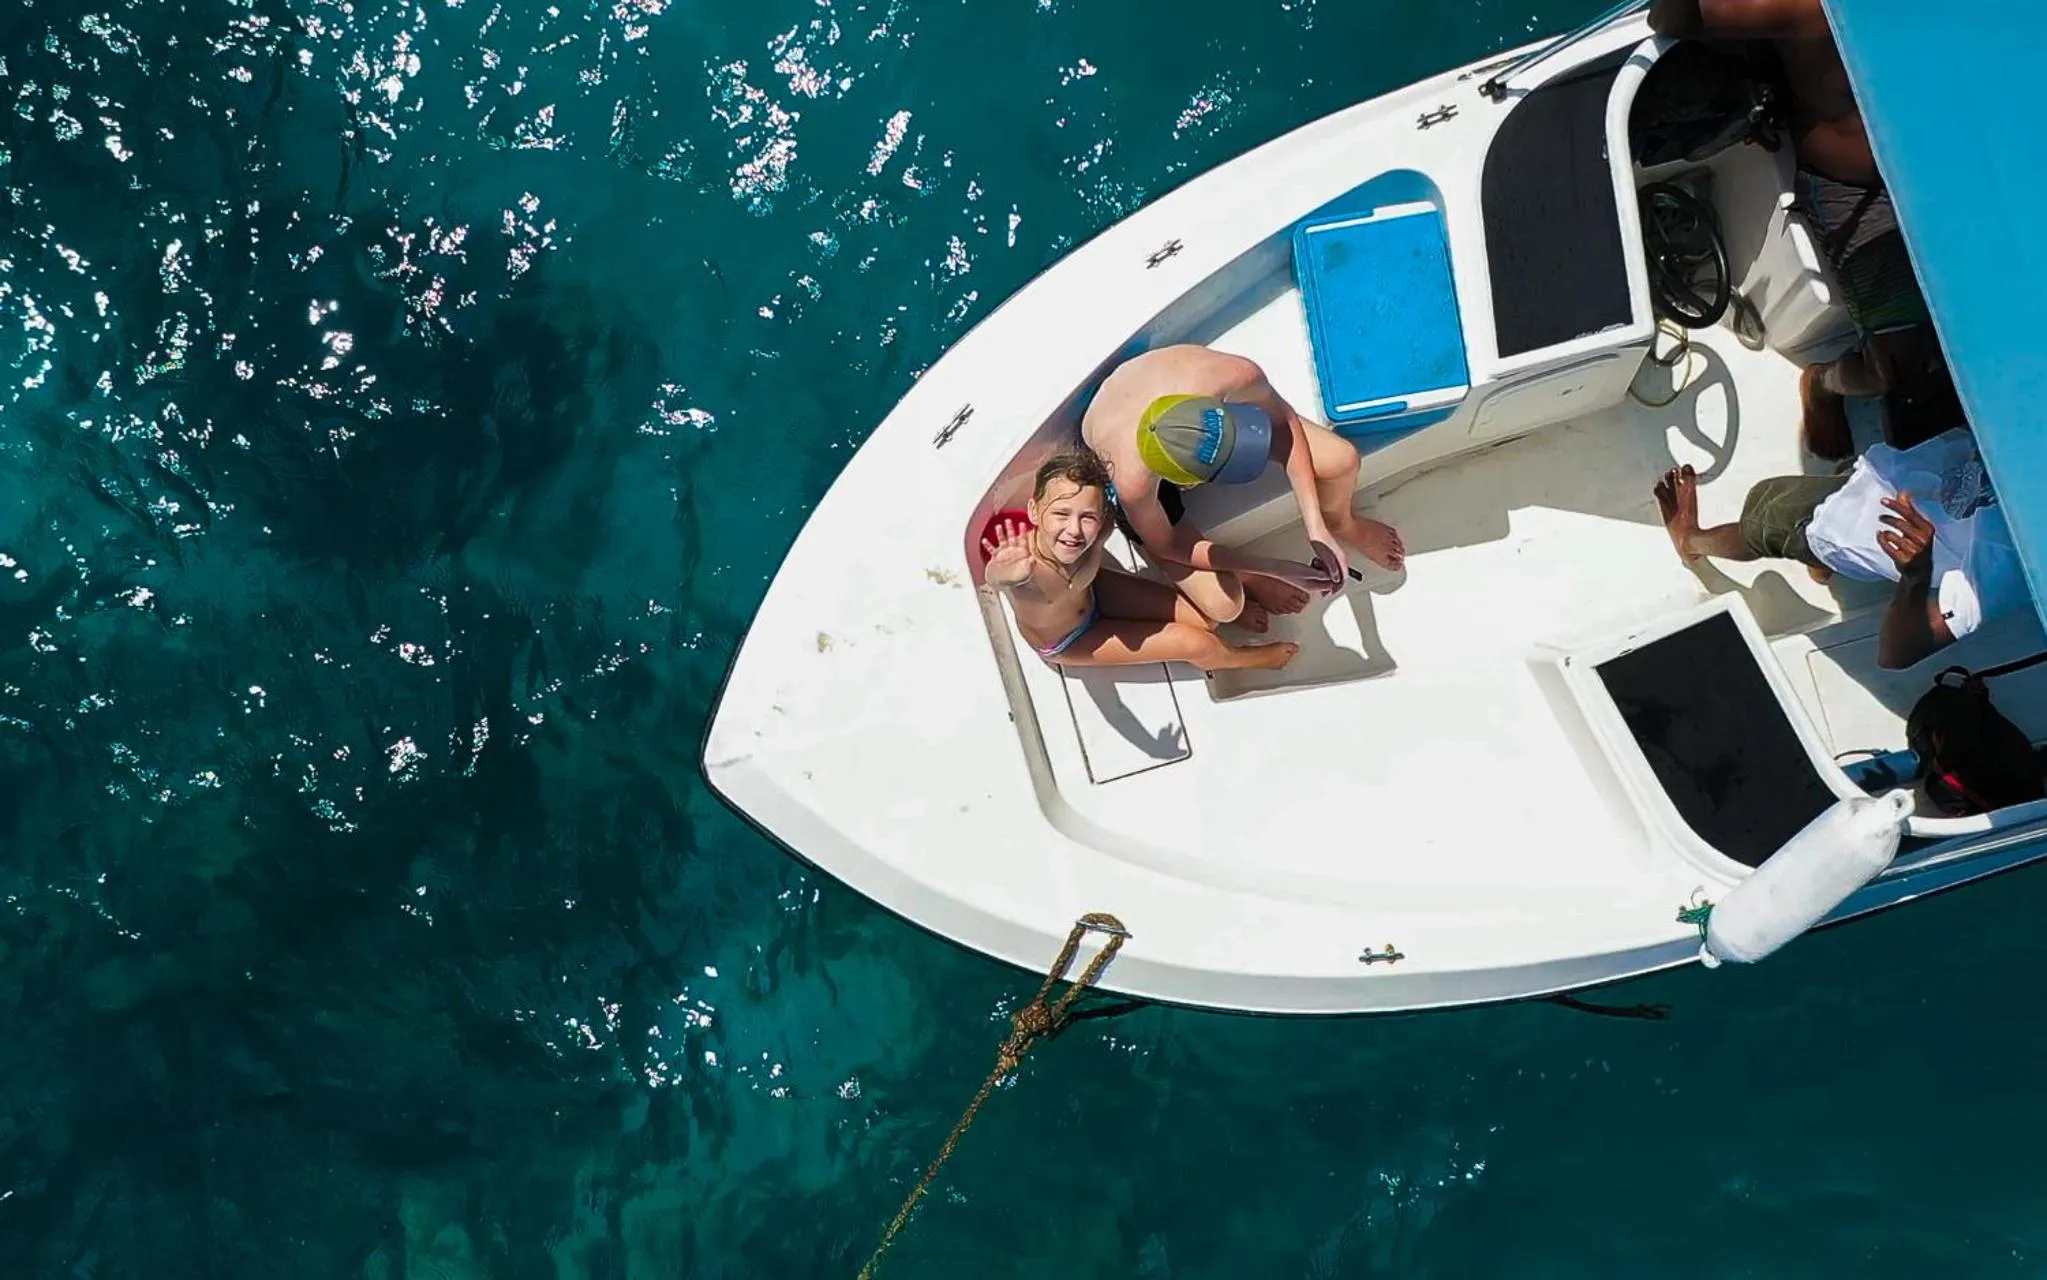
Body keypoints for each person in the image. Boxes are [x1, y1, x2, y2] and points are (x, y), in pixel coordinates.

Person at [1648, 0, 1933, 460]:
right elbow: (1673, 16)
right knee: (1894, 372)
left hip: (1958, 189)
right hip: (1858, 190)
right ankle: (1822, 383)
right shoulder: (1813, 8)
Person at [1080, 345, 1405, 627]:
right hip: (1130, 463)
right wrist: (1271, 567)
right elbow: (1169, 545)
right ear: (1187, 483)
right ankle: (1250, 579)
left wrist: (1316, 526)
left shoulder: (1230, 375)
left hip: (1159, 399)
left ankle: (1342, 522)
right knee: (1224, 606)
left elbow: (1283, 423)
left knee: (1342, 460)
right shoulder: (1133, 484)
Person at [1654, 428, 2028, 669]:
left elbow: (1897, 654)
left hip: (1848, 522)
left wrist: (1916, 573)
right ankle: (1818, 559)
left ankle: (1691, 541)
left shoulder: (2012, 568)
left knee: (1765, 514)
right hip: (1908, 466)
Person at [983, 447, 1299, 672]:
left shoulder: (1097, 530)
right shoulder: (1024, 570)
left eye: (1087, 516)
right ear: (1034, 511)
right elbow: (997, 577)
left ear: (1102, 516)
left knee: (1210, 620)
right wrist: (1005, 571)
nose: (1074, 530)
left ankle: (1240, 589)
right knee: (1197, 644)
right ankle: (1246, 659)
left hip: (1094, 591)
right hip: (1073, 639)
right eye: (1060, 514)